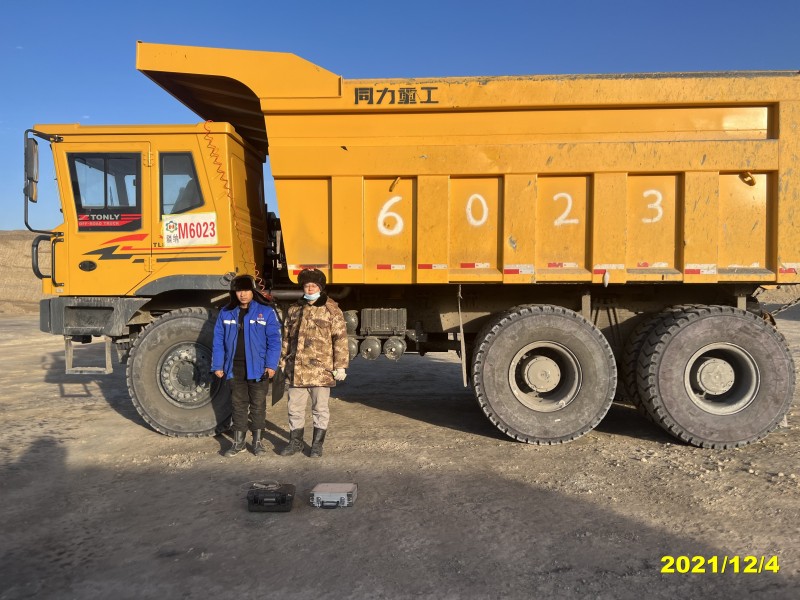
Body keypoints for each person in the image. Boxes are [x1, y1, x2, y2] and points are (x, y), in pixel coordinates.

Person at [279, 268, 349, 458]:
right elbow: (286, 338)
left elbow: (340, 339)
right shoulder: (294, 309)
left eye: (314, 285)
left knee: (320, 409)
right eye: (307, 285)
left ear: (320, 287)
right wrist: (283, 361)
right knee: (294, 408)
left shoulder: (331, 310)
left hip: (321, 371)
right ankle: (295, 443)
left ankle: (317, 445)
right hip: (297, 370)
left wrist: (341, 366)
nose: (310, 289)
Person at [212, 275, 281, 457]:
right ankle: (238, 443)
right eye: (239, 291)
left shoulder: (265, 312)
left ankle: (257, 442)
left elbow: (274, 340)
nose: (242, 294)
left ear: (253, 291)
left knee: (258, 405)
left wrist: (271, 365)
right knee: (238, 405)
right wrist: (218, 365)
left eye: (246, 290)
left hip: (258, 368)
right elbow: (218, 341)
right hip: (234, 368)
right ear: (234, 293)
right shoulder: (226, 312)